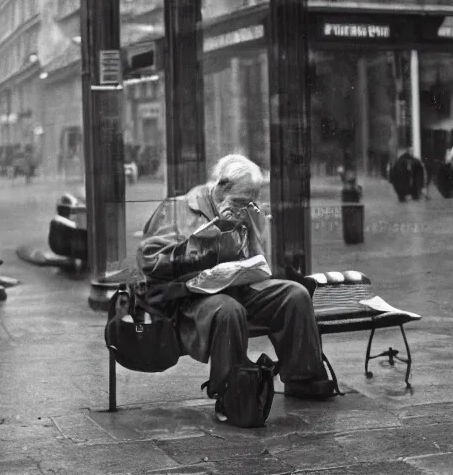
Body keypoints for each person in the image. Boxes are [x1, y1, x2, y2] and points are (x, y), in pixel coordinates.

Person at [136, 154, 335, 421]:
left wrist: (256, 229)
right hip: (189, 301)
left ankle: (304, 378)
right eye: (240, 201)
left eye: (250, 202)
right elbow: (149, 261)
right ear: (220, 189)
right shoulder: (176, 209)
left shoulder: (244, 213)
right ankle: (231, 392)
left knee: (294, 295)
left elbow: (261, 266)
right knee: (229, 310)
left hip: (236, 289)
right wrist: (202, 244)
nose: (244, 209)